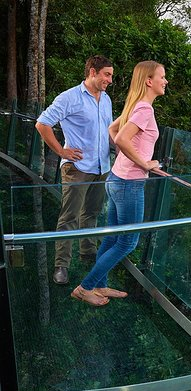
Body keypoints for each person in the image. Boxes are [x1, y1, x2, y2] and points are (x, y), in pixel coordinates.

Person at [71, 60, 167, 306]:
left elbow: (113, 130)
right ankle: (85, 288)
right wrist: (144, 163)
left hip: (116, 178)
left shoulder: (135, 105)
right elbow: (122, 138)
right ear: (149, 81)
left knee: (113, 238)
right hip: (129, 184)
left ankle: (101, 286)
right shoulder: (145, 109)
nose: (165, 81)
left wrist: (129, 156)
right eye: (162, 77)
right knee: (128, 241)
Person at [36, 55, 114, 285]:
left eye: (111, 75)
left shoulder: (106, 99)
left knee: (91, 213)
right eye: (106, 74)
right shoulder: (69, 97)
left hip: (101, 166)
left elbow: (107, 131)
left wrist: (119, 147)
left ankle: (88, 253)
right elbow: (42, 124)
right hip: (78, 167)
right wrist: (62, 151)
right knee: (69, 217)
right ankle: (61, 265)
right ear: (92, 72)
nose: (110, 80)